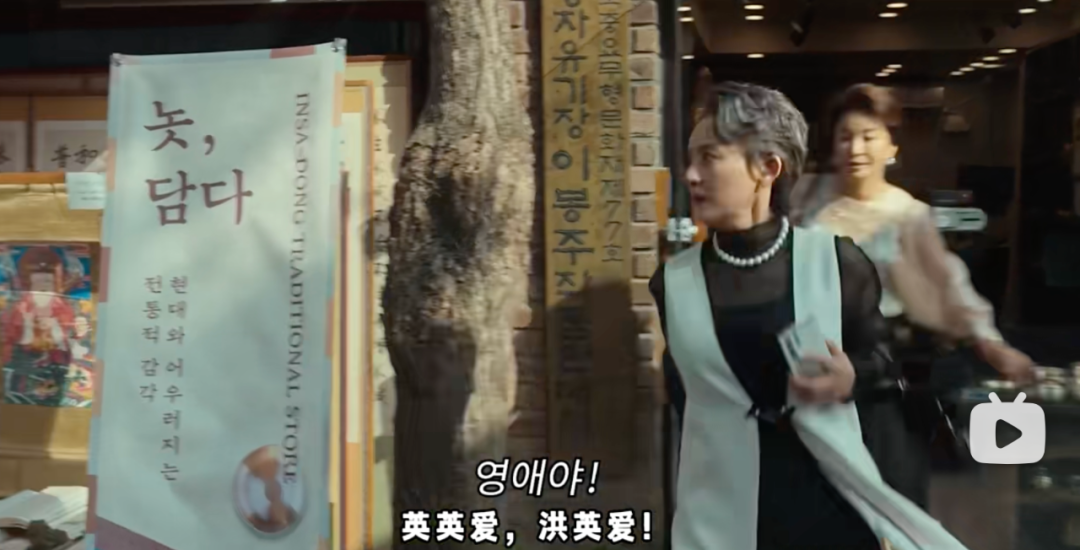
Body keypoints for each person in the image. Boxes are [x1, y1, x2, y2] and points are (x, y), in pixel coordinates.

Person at [654, 81, 967, 550]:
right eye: (690, 159)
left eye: (709, 157)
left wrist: (850, 377)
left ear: (767, 167)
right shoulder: (673, 282)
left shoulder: (836, 262)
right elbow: (682, 394)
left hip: (827, 507)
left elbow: (880, 362)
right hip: (717, 515)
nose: (691, 175)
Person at [789, 83, 1034, 508]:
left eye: (869, 136)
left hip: (878, 366)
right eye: (846, 137)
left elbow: (950, 283)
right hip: (810, 353)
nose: (856, 148)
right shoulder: (807, 195)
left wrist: (991, 345)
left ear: (891, 146)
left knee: (890, 490)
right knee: (813, 492)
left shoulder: (907, 214)